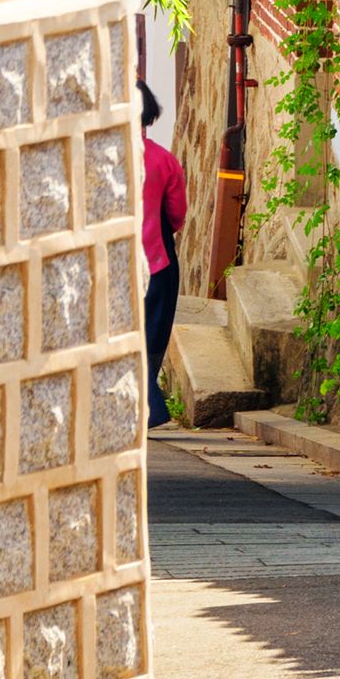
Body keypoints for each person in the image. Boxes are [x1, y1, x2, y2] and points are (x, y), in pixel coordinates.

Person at [141, 84, 189, 429]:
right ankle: (150, 405)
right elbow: (176, 215)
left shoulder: (94, 155)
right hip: (157, 261)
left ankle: (149, 407)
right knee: (151, 336)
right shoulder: (164, 160)